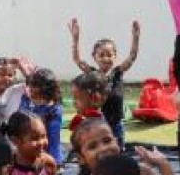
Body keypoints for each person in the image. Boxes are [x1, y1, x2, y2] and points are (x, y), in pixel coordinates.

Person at [68, 17, 140, 145]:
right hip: (98, 123)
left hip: (116, 124)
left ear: (115, 56)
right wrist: (75, 38)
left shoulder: (117, 73)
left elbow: (132, 57)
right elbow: (77, 59)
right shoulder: (92, 74)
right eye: (101, 55)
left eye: (109, 55)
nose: (106, 59)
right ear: (94, 57)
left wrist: (135, 38)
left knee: (117, 149)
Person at [1, 110, 56, 175]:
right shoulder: (8, 167)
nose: (41, 142)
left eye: (44, 136)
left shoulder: (49, 163)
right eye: (35, 138)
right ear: (15, 140)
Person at [19, 67, 64, 165]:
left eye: (33, 86)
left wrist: (52, 162)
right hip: (30, 155)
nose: (29, 88)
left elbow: (52, 141)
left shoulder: (53, 111)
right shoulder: (28, 101)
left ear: (44, 90)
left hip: (47, 158)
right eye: (30, 85)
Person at [0, 57, 26, 132]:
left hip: (5, 135)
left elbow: (34, 82)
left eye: (10, 75)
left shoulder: (16, 91)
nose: (6, 78)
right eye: (2, 74)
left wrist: (21, 67)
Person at [67, 70, 107, 136]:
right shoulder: (85, 120)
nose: (74, 103)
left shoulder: (94, 126)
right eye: (74, 98)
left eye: (77, 98)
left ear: (95, 99)